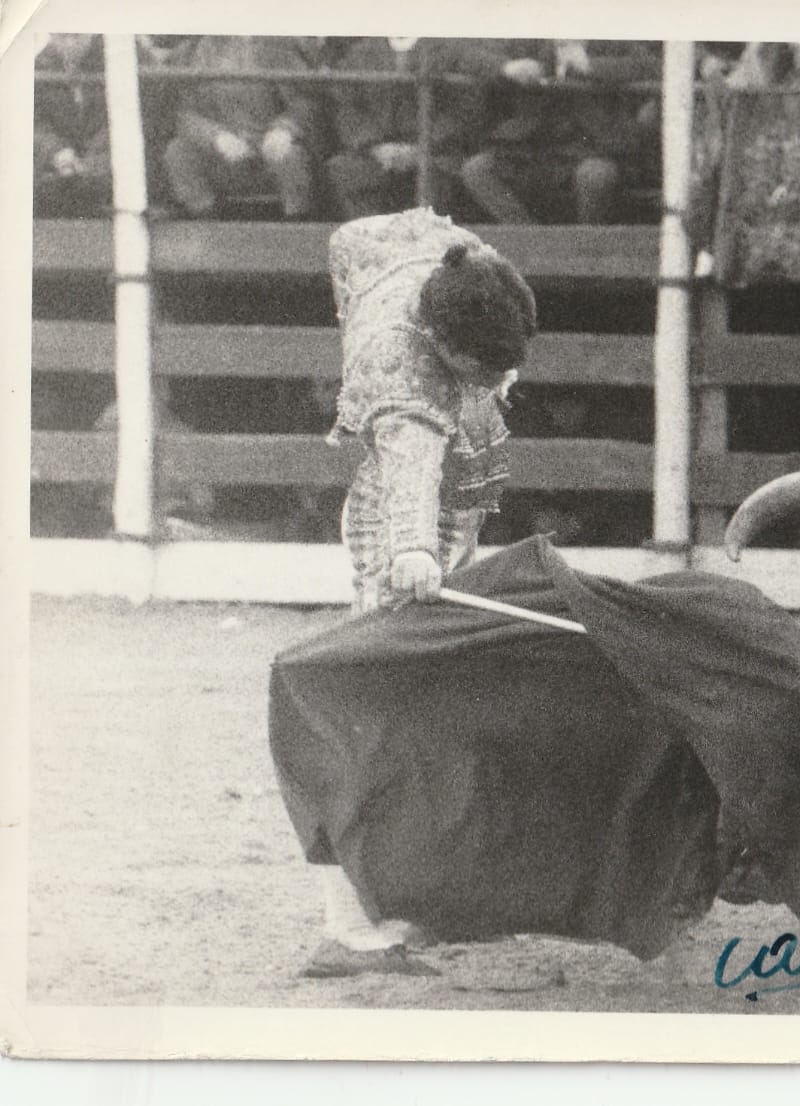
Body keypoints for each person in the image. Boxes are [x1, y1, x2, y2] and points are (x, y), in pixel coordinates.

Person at [304, 207, 537, 975]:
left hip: (450, 515)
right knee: (377, 719)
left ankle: (421, 896)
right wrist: (411, 550)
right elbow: (410, 465)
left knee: (436, 710)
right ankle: (347, 926)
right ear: (439, 343)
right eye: (480, 368)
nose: (497, 380)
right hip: (398, 534)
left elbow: (351, 236)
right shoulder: (404, 375)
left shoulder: (466, 268)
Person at [458, 39, 658, 224]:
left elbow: (654, 66)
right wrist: (505, 67)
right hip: (532, 152)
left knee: (595, 175)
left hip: (593, 150)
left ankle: (585, 249)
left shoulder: (611, 39)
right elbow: (464, 56)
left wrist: (591, 65)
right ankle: (531, 240)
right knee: (476, 169)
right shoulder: (531, 40)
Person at [321, 37, 503, 220]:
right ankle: (372, 238)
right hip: (379, 152)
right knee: (342, 170)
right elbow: (347, 109)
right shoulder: (362, 52)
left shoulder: (447, 47)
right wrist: (376, 147)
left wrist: (422, 147)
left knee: (437, 179)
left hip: (435, 151)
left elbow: (463, 110)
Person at [161, 35, 321, 219]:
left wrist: (284, 129)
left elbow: (306, 101)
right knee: (178, 152)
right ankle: (208, 226)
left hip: (269, 152)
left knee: (290, 157)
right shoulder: (188, 54)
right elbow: (183, 113)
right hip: (223, 158)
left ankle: (297, 227)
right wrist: (215, 137)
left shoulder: (275, 46)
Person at [34, 33, 112, 218]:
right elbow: (34, 122)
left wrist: (92, 161)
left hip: (106, 158)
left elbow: (136, 115)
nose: (69, 44)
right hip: (60, 161)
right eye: (62, 37)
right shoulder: (39, 65)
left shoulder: (118, 54)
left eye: (76, 36)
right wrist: (57, 151)